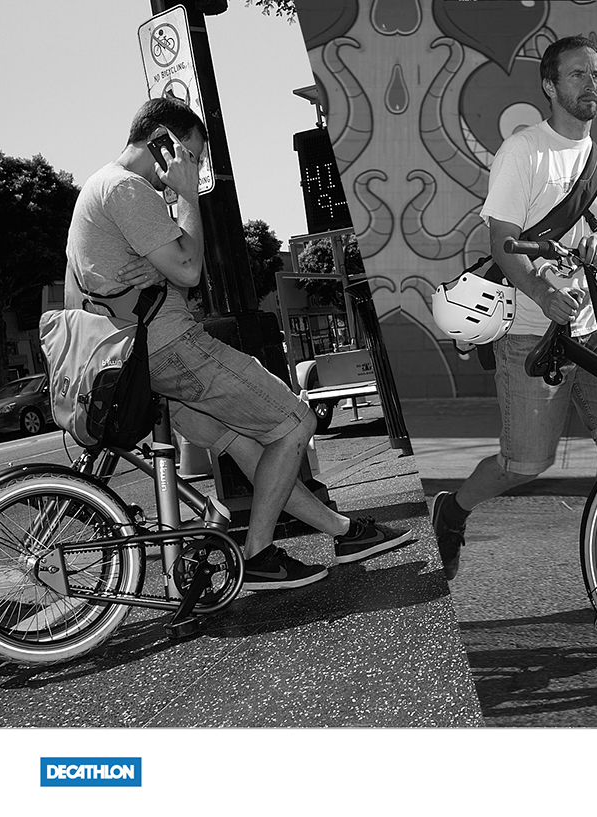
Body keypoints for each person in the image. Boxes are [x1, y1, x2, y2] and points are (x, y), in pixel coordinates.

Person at [64, 96, 410, 590]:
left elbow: (141, 277)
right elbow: (189, 269)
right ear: (163, 140)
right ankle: (259, 555)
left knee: (245, 444)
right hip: (171, 347)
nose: (194, 167)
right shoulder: (127, 189)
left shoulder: (97, 188)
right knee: (296, 422)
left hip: (142, 359)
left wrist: (160, 273)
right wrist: (187, 196)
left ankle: (345, 532)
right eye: (192, 155)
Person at [432, 35, 597, 582]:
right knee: (525, 463)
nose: (591, 84)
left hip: (596, 331)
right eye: (577, 74)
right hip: (530, 333)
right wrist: (543, 293)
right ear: (549, 85)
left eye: (596, 74)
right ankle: (453, 510)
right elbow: (502, 240)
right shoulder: (524, 151)